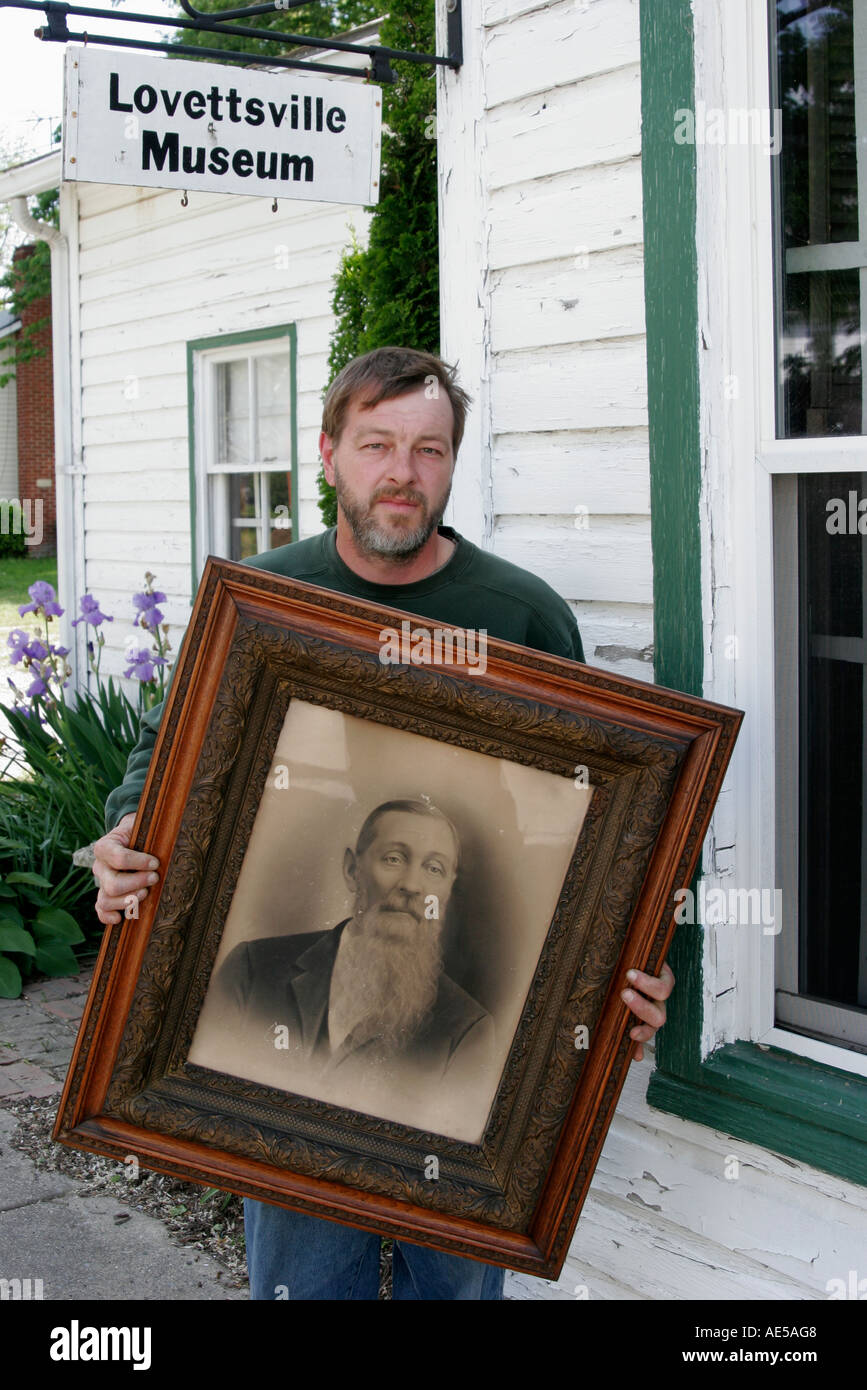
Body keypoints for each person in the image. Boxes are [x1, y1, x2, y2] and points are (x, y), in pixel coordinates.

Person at [92, 345, 675, 1301]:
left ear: (452, 463)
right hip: (289, 1070)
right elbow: (162, 762)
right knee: (305, 1286)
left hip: (480, 1072)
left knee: (459, 1292)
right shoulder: (258, 598)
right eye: (376, 444)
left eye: (429, 449)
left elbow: (593, 818)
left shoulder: (518, 614)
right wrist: (123, 838)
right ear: (328, 455)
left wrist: (631, 949)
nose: (402, 473)